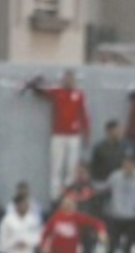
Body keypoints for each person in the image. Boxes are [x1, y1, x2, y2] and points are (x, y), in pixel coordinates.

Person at [26, 70, 90, 200]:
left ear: (74, 81)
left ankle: (69, 197)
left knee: (72, 168)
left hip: (74, 136)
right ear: (62, 80)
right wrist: (33, 85)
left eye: (71, 79)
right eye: (66, 78)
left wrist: (86, 133)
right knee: (56, 167)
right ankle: (55, 198)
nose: (68, 81)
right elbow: (41, 92)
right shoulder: (57, 91)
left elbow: (83, 114)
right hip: (58, 135)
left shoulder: (79, 94)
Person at [90, 119, 126, 184]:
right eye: (116, 131)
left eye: (119, 130)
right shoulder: (99, 148)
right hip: (103, 181)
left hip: (120, 182)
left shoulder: (124, 147)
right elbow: (93, 168)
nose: (119, 133)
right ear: (109, 131)